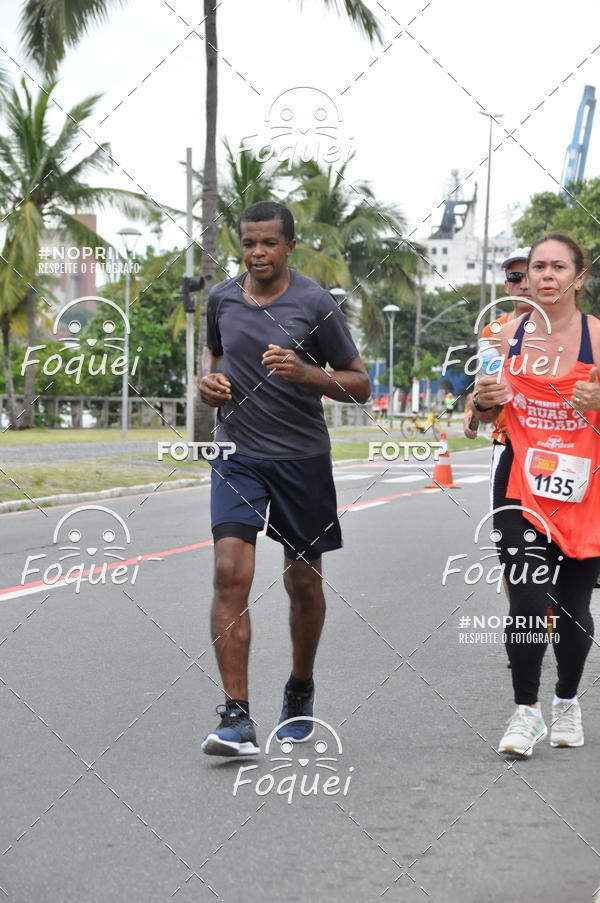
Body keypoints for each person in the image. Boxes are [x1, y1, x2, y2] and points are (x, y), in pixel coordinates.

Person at [199, 200, 370, 757]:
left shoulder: (315, 303)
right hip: (237, 452)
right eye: (248, 243)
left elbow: (359, 384)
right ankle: (236, 717)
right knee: (230, 571)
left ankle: (299, 690)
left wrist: (306, 373)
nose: (257, 253)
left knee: (302, 583)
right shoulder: (222, 297)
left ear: (290, 246)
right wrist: (210, 385)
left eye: (268, 243)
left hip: (301, 458)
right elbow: (214, 358)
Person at [473, 233, 600, 757]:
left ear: (579, 277)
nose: (546, 276)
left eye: (557, 267)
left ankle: (567, 699)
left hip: (584, 490)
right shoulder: (501, 336)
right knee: (528, 599)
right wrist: (484, 400)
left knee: (572, 608)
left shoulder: (598, 336)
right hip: (521, 486)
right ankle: (526, 712)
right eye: (537, 267)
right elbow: (477, 419)